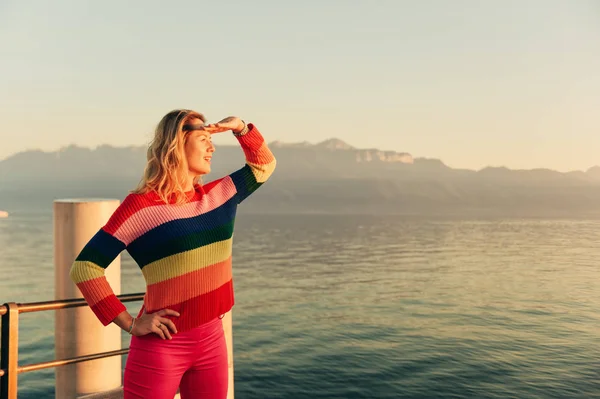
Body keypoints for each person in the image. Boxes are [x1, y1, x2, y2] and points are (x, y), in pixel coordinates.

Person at [69, 109, 276, 398]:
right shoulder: (140, 207)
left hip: (213, 339)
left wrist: (241, 128)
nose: (211, 147)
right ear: (177, 144)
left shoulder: (219, 195)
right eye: (203, 139)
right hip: (162, 345)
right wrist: (129, 322)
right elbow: (86, 267)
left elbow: (263, 165)